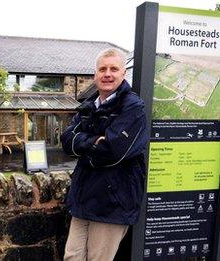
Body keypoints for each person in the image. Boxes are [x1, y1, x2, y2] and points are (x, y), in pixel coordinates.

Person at [61, 48, 148, 261]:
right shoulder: (89, 106)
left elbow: (112, 152)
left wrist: (83, 144)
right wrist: (94, 141)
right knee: (72, 257)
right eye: (102, 69)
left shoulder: (133, 107)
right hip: (83, 199)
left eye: (113, 69)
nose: (107, 74)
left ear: (123, 73)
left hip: (112, 203)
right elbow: (65, 140)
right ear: (95, 75)